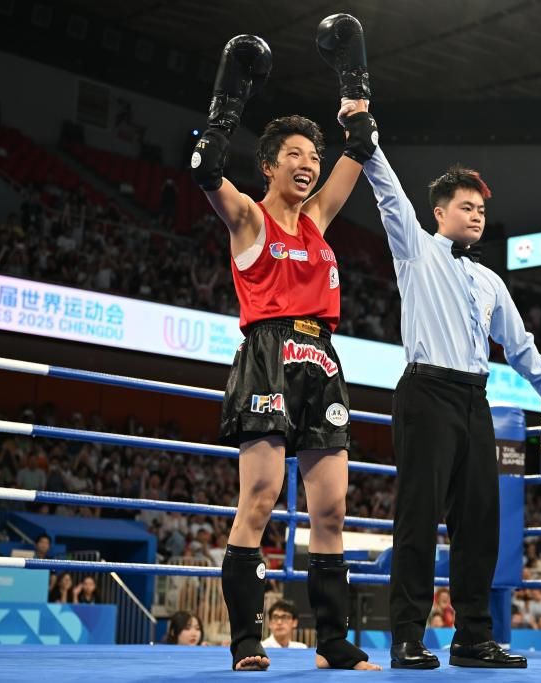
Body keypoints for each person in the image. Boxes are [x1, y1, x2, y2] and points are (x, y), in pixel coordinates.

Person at [191, 26, 378, 672]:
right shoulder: (249, 216)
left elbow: (361, 145)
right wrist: (227, 104)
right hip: (268, 354)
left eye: (313, 155)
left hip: (321, 359)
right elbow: (206, 172)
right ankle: (246, 640)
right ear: (268, 165)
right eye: (294, 154)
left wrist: (353, 83)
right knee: (261, 498)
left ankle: (332, 642)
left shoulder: (319, 217)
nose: (308, 163)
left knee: (331, 509)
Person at [356, 108, 541, 670]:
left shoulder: (490, 279)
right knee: (418, 518)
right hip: (426, 392)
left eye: (481, 209)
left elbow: (519, 343)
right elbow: (389, 194)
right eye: (466, 207)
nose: (476, 215)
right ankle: (407, 637)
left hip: (476, 399)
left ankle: (473, 638)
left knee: (479, 522)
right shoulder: (416, 250)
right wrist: (367, 138)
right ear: (440, 212)